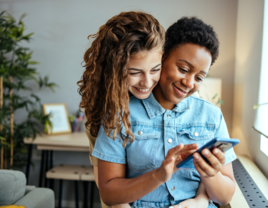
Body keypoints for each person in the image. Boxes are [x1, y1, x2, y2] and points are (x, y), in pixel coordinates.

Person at [92, 17, 237, 208]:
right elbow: (109, 194)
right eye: (183, 69)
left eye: (200, 77)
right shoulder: (121, 114)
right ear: (161, 57)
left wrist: (211, 175)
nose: (189, 83)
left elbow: (225, 197)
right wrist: (158, 175)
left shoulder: (211, 116)